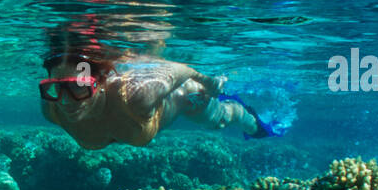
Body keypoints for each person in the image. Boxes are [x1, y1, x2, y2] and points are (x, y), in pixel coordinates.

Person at [39, 26, 279, 150]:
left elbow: (183, 69)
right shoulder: (52, 109)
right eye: (54, 88)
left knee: (220, 120)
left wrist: (210, 83)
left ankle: (249, 118)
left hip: (184, 97)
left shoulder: (137, 96)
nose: (65, 101)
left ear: (100, 83)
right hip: (150, 114)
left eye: (78, 88)